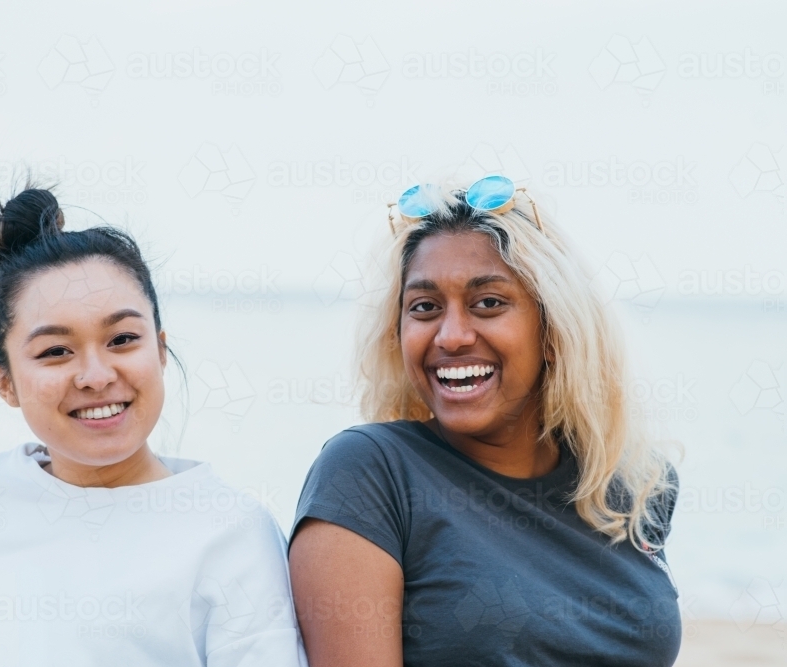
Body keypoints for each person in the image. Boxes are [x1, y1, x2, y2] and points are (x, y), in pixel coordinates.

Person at [288, 175, 681, 666]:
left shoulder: (635, 485)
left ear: (555, 328)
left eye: (488, 303)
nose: (451, 336)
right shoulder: (369, 474)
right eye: (425, 307)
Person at [0, 186, 307, 666]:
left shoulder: (231, 532)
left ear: (159, 351)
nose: (96, 376)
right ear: (6, 383)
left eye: (122, 339)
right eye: (55, 350)